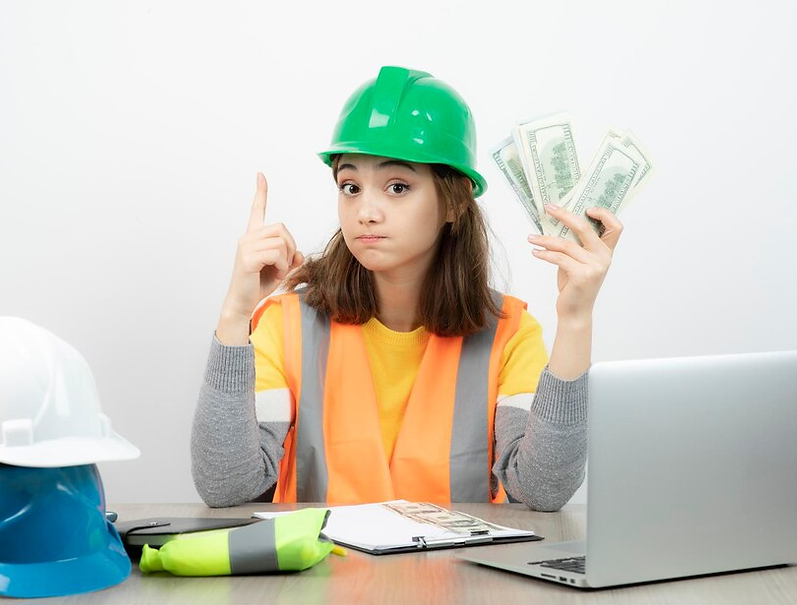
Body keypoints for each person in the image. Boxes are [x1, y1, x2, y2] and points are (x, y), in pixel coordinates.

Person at [191, 66, 622, 510]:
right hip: (321, 577)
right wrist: (235, 313)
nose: (366, 211)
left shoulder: (509, 334)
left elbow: (543, 490)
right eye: (351, 186)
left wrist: (575, 318)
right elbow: (227, 487)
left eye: (397, 186)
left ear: (454, 202)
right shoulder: (286, 327)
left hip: (461, 579)